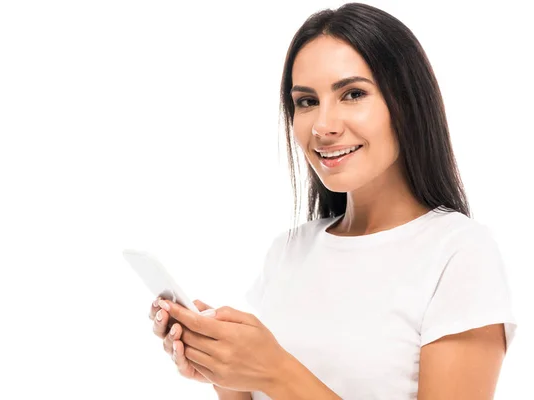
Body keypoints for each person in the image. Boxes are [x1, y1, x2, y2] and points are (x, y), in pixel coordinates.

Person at [148, 2, 518, 399]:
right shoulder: (289, 251)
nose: (323, 126)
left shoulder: (459, 252)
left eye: (353, 94)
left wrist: (275, 372)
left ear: (407, 103)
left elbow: (280, 379)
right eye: (306, 101)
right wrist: (224, 369)